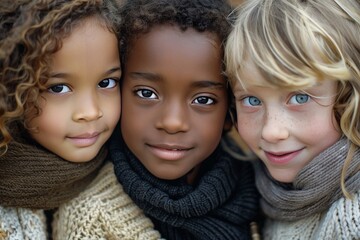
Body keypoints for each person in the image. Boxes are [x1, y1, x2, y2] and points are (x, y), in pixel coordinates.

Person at [0, 0, 160, 239]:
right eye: (59, 88)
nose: (91, 111)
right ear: (13, 89)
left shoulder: (138, 181)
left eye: (106, 83)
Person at [108, 0, 261, 239]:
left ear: (230, 113)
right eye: (146, 93)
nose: (172, 122)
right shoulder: (94, 207)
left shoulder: (261, 193)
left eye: (203, 100)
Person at [225, 0, 360, 239]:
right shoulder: (259, 189)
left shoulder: (351, 219)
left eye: (299, 98)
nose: (271, 131)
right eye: (252, 101)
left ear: (349, 96)